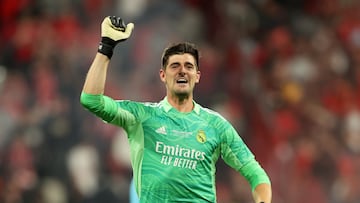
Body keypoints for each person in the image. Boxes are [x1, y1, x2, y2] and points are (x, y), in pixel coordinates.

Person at [80, 16, 272, 203]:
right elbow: (91, 100)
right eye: (175, 66)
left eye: (189, 66)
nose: (182, 71)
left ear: (197, 76)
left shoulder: (216, 125)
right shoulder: (141, 117)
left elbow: (255, 172)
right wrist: (106, 47)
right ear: (163, 75)